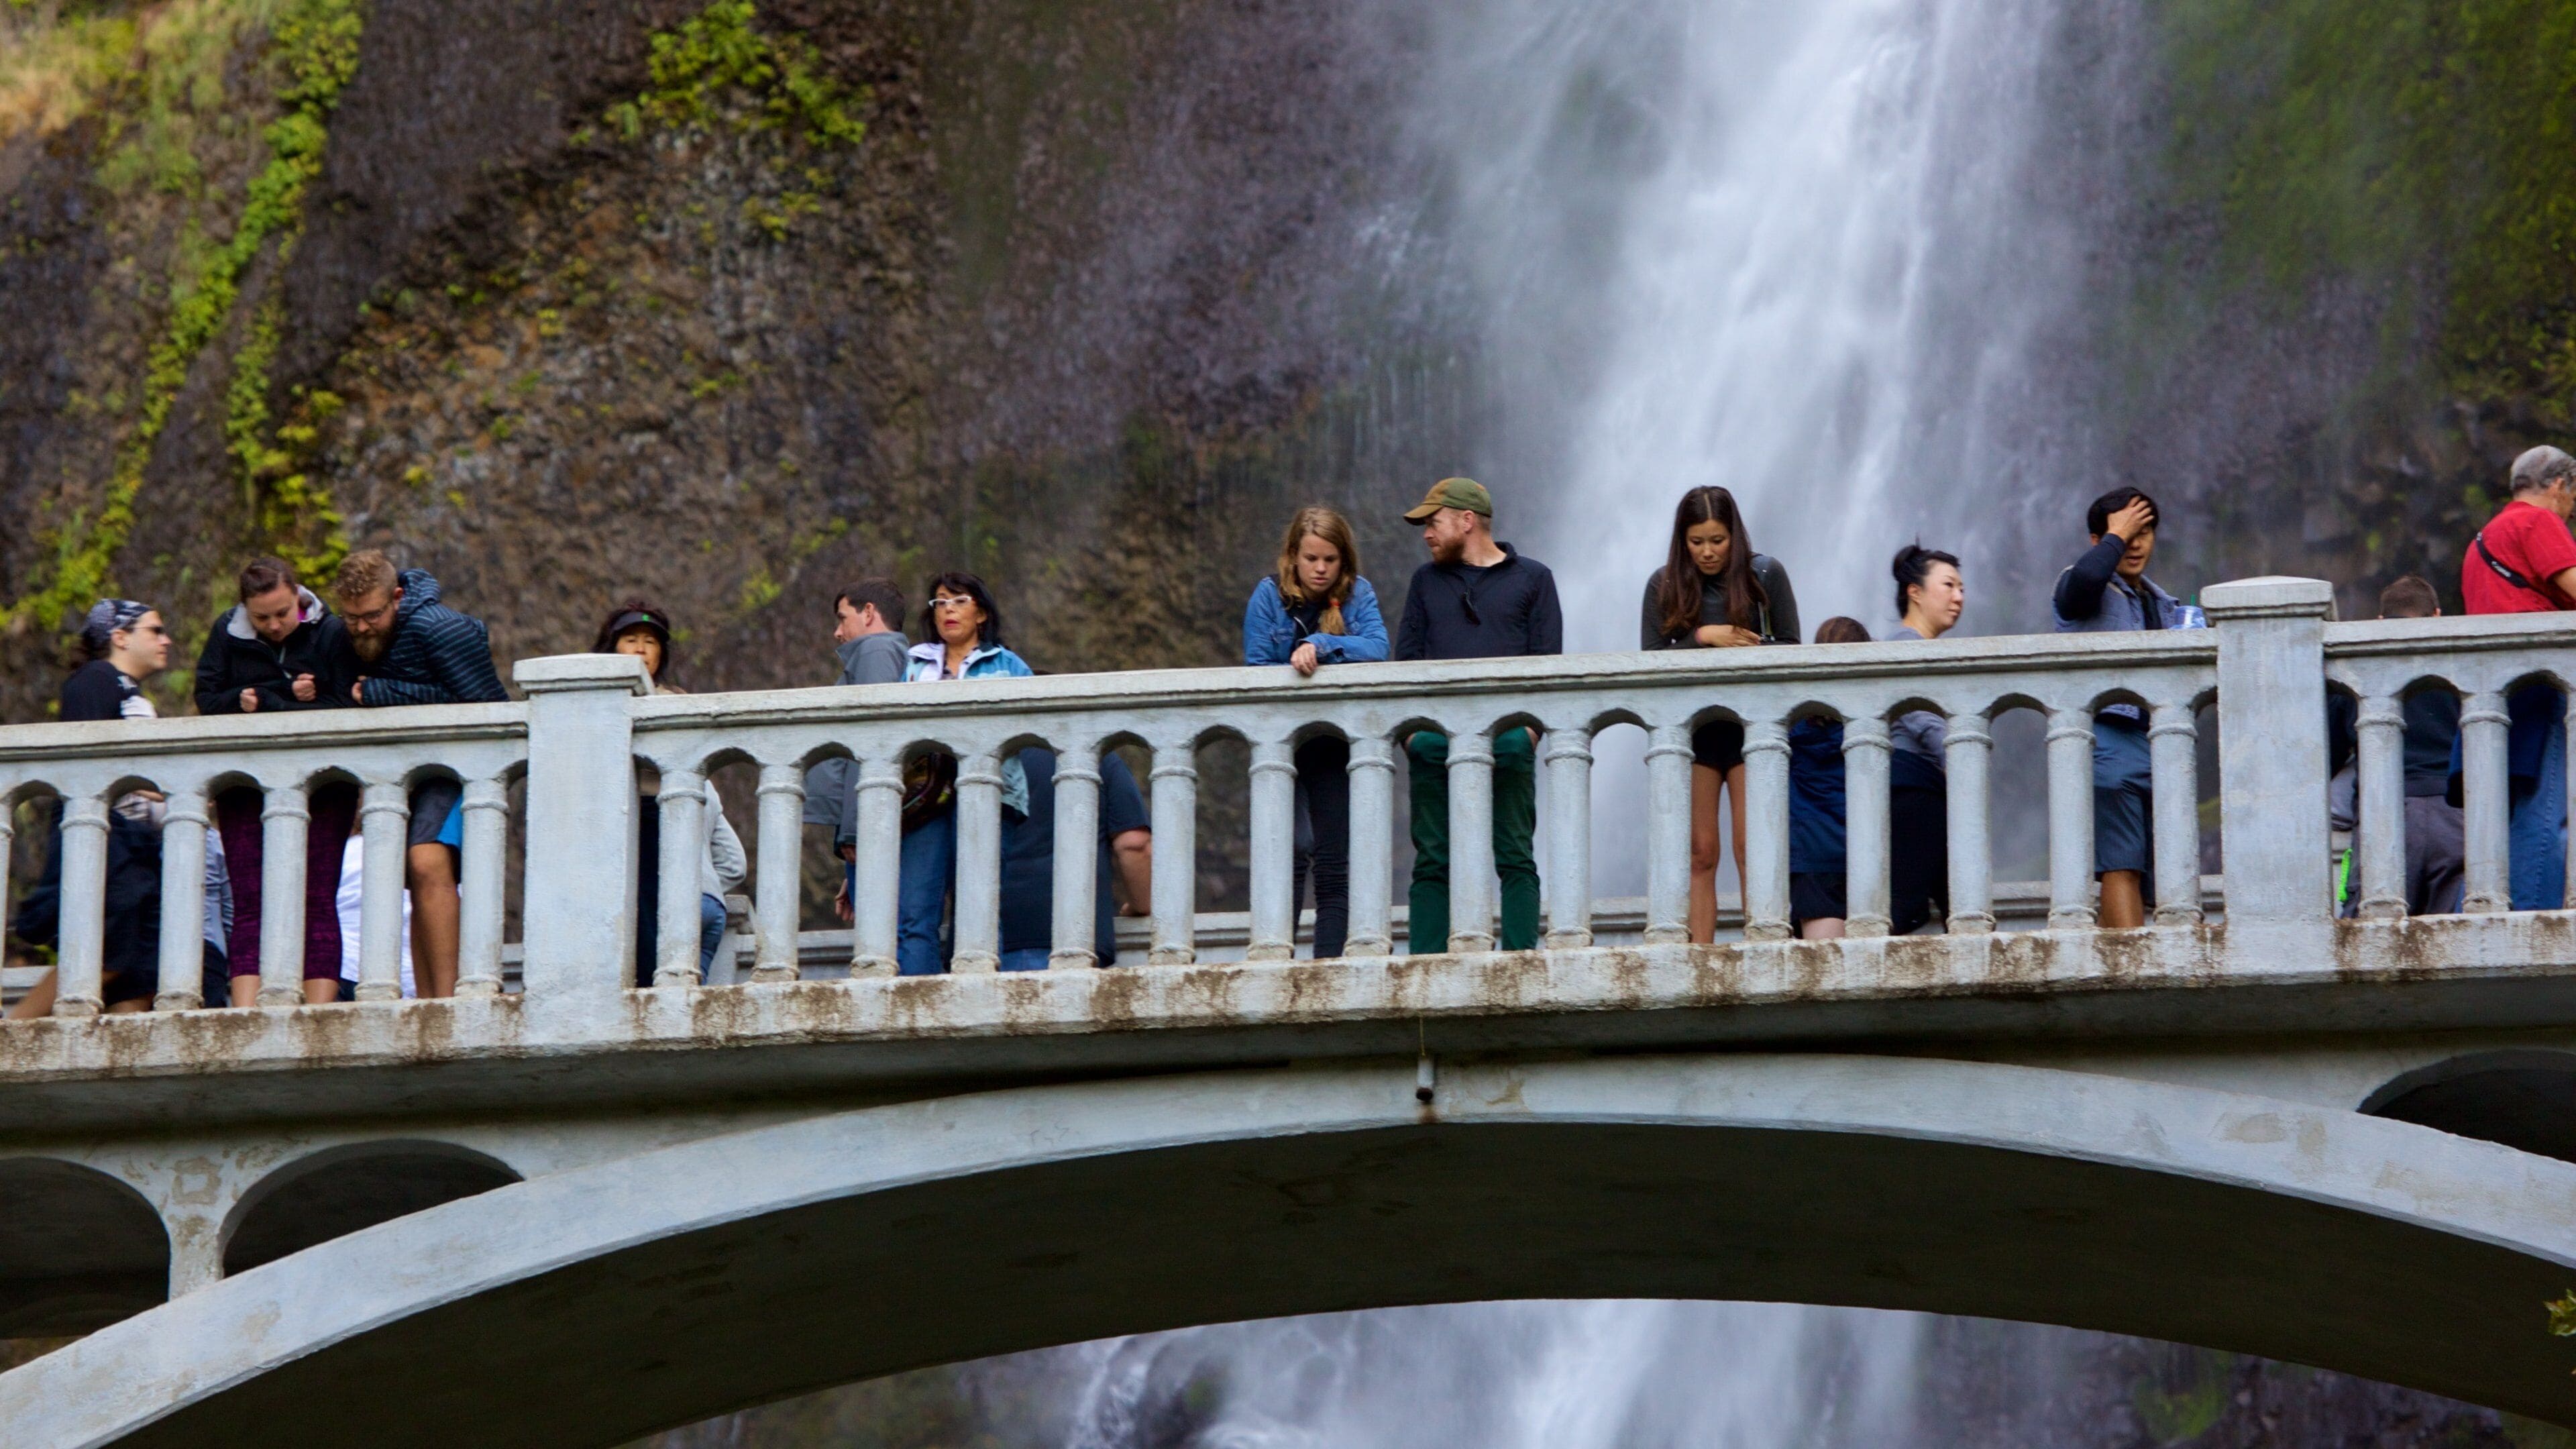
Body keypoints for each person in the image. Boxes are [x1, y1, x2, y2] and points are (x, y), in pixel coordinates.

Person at [1393, 478, 1562, 953]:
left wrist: (1527, 733)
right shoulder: (1425, 582)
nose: (1426, 533)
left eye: (1433, 522)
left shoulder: (1534, 579)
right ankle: (1425, 965)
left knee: (1514, 854)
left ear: (1467, 521)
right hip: (1433, 741)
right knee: (1432, 858)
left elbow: (1550, 666)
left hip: (1509, 740)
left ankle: (1520, 960)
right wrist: (1413, 738)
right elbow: (1404, 662)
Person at [329, 551, 508, 997]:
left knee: (427, 862)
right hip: (400, 777)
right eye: (352, 618)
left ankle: (451, 998)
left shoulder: (441, 628)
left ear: (397, 597)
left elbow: (488, 706)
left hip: (457, 771)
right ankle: (430, 1001)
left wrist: (381, 691)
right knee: (410, 873)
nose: (363, 627)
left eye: (372, 615)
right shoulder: (345, 635)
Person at [7, 601, 194, 1017]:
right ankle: (12, 1031)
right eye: (155, 630)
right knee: (103, 954)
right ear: (120, 637)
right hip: (108, 841)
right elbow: (88, 765)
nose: (166, 640)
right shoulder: (96, 680)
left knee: (142, 975)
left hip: (135, 845)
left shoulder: (126, 689)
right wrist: (160, 789)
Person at [1640, 486, 1801, 941]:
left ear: (1735, 537)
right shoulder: (1664, 585)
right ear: (1682, 541)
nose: (1708, 553)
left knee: (1753, 848)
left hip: (1753, 730)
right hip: (1694, 733)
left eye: (1718, 540)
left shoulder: (1764, 576)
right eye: (1697, 542)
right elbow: (1649, 660)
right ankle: (1700, 962)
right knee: (1700, 852)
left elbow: (1792, 647)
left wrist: (1750, 644)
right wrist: (1705, 636)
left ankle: (1765, 949)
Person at [195, 557, 358, 1006]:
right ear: (245, 609)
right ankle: (246, 1008)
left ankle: (319, 1008)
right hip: (245, 784)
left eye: (283, 613)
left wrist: (264, 699)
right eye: (261, 617)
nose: (274, 626)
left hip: (325, 784)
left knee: (317, 894)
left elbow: (344, 703)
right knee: (250, 897)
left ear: (299, 598)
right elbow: (208, 699)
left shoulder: (330, 632)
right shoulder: (228, 631)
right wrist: (270, 695)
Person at [2051, 487, 2200, 929]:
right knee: (2122, 862)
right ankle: (2131, 971)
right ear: (2098, 541)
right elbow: (2082, 585)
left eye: (2145, 532)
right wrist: (2117, 535)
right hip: (2109, 740)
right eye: (2125, 534)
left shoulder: (2164, 604)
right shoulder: (2081, 584)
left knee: (2162, 870)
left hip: (2158, 743)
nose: (2136, 544)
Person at [1244, 506, 1389, 958]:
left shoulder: (1357, 595)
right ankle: (1278, 956)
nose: (1321, 569)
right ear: (1293, 557)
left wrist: (1321, 645)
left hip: (1333, 742)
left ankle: (1328, 962)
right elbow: (1256, 667)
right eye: (1311, 559)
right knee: (1290, 849)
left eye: (1330, 559)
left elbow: (1379, 648)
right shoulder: (1268, 597)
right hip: (1282, 744)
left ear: (1344, 561)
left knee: (1333, 859)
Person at [594, 601, 746, 981]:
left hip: (658, 843)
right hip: (698, 897)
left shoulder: (674, 702)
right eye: (630, 640)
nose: (641, 650)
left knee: (653, 987)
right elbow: (734, 863)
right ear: (612, 649)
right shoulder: (595, 702)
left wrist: (688, 888)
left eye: (650, 642)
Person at [895, 572, 1034, 976]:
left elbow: (1029, 731)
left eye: (959, 601)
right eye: (940, 602)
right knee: (916, 908)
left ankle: (977, 992)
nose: (948, 610)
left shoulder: (1009, 666)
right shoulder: (914, 663)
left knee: (978, 902)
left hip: (991, 795)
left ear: (982, 614)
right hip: (924, 798)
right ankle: (918, 1001)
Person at [2457, 445, 2576, 910]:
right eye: (2573, 495)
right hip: (2539, 687)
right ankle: (2532, 919)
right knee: (2545, 812)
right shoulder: (2538, 522)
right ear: (2559, 484)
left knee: (2499, 820)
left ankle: (2486, 915)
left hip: (2491, 695)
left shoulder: (2483, 538)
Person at [2325, 576, 2463, 916]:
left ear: (2381, 622)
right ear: (2437, 617)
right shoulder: (2463, 670)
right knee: (2453, 944)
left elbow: (2324, 758)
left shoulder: (2356, 671)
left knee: (2369, 942)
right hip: (2458, 818)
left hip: (2386, 818)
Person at [803, 580, 910, 924]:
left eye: (842, 618)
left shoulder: (876, 651)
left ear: (869, 613)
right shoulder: (886, 653)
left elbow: (870, 747)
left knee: (884, 929)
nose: (837, 632)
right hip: (872, 821)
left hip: (868, 821)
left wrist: (855, 834)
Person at [996, 747, 1152, 971]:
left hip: (977, 937)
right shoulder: (1097, 755)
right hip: (1066, 937)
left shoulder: (981, 753)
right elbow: (1134, 845)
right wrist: (1141, 904)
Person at [1884, 545, 1964, 934]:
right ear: (1914, 592)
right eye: (1948, 585)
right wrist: (1963, 756)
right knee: (1906, 909)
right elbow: (1922, 719)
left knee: (1954, 905)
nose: (1959, 596)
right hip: (1912, 789)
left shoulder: (1927, 650)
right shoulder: (1903, 648)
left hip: (1924, 789)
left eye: (1962, 588)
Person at [1788, 618, 1876, 938]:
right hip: (1864, 857)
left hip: (1811, 861)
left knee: (1826, 969)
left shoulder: (1791, 727)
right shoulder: (1872, 727)